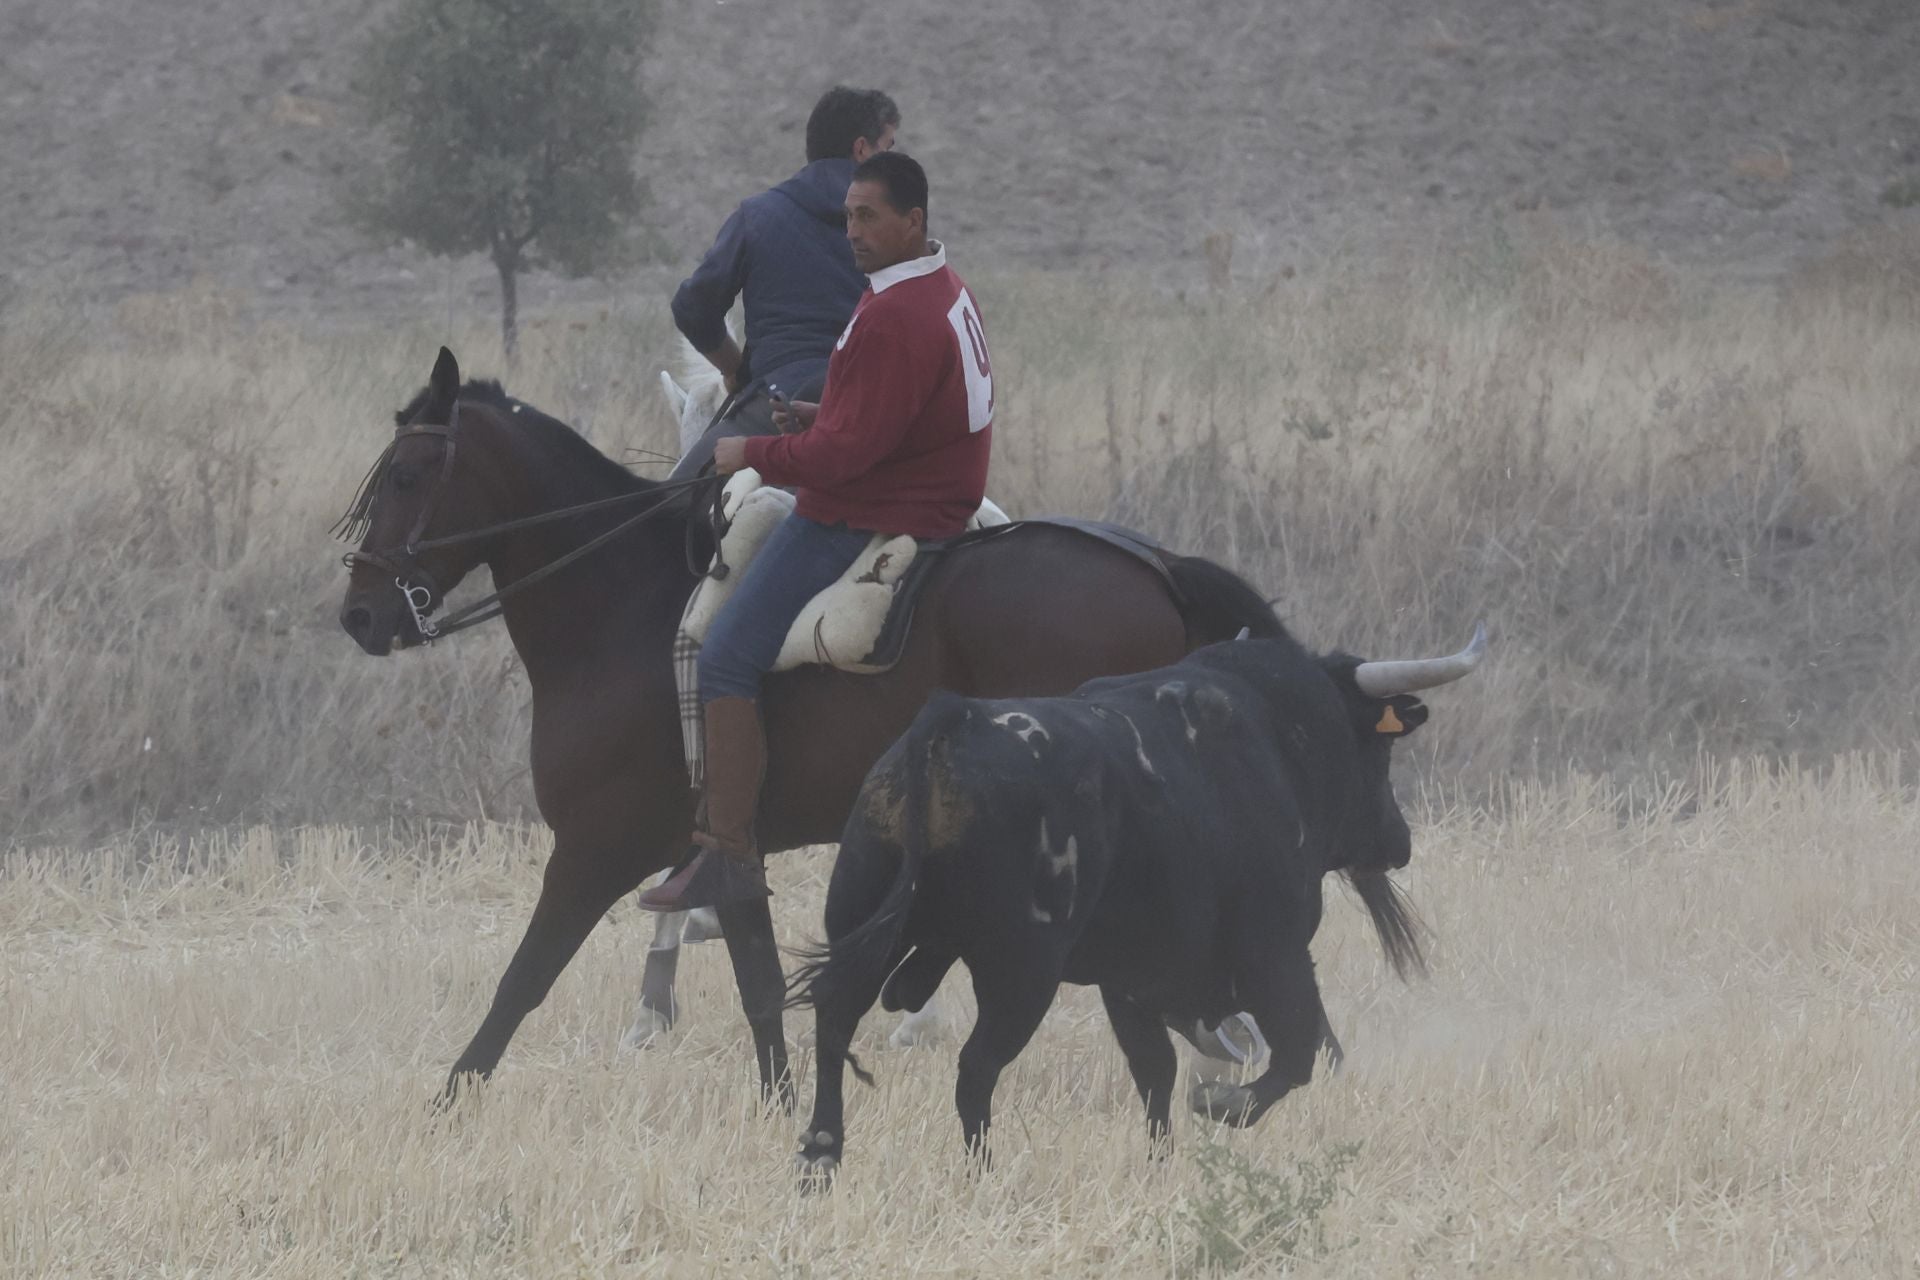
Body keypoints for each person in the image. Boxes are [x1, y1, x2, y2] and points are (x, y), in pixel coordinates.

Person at [641, 151, 997, 912]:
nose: (854, 233)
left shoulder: (893, 314)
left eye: (869, 218)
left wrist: (748, 452)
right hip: (930, 486)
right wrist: (818, 415)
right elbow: (882, 418)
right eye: (848, 217)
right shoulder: (938, 287)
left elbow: (842, 461)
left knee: (726, 654)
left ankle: (726, 854)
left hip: (877, 508)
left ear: (914, 222)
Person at [667, 86, 899, 479]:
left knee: (664, 517)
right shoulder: (897, 230)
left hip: (776, 406)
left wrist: (735, 369)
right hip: (873, 412)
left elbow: (693, 307)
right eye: (889, 148)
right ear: (861, 150)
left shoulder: (758, 215)